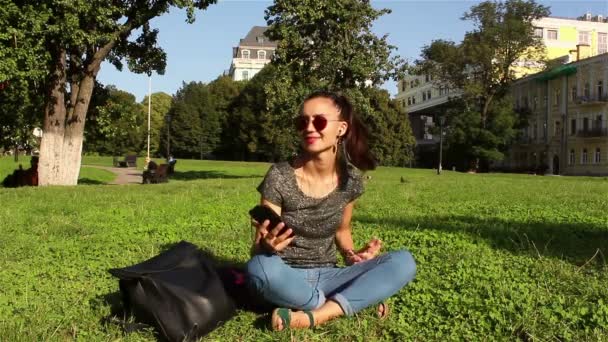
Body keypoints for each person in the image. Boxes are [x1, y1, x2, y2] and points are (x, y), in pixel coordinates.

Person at [246, 91, 416, 331]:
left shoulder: (351, 180)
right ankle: (346, 301)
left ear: (341, 129)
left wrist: (352, 255)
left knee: (404, 262)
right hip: (285, 274)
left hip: (330, 274)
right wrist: (266, 246)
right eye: (302, 122)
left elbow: (342, 231)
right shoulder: (279, 176)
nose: (309, 128)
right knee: (259, 268)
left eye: (320, 121)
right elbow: (257, 251)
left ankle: (313, 315)